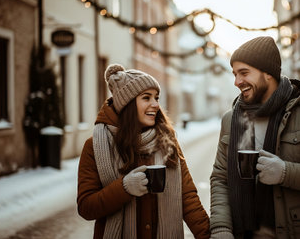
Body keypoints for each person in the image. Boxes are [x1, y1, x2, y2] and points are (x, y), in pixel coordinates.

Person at [209, 36, 300, 239]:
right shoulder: (231, 120)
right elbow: (221, 179)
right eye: (235, 74)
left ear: (268, 73)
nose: (237, 82)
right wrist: (221, 227)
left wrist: (285, 172)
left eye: (244, 73)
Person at [77, 64, 210, 239]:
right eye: (146, 98)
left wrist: (209, 236)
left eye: (156, 97)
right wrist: (124, 188)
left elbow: (188, 198)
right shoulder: (95, 146)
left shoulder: (167, 141)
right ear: (128, 103)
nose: (155, 104)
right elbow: (87, 207)